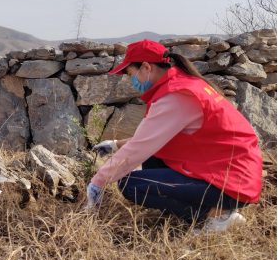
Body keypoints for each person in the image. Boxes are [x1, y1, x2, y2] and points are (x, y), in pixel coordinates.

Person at [84, 39, 262, 234]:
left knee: (130, 184)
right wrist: (116, 145)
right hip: (232, 173)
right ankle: (209, 208)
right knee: (154, 155)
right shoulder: (186, 84)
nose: (131, 80)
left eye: (130, 74)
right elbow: (154, 138)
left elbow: (139, 148)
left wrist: (97, 182)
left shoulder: (176, 96)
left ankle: (217, 216)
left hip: (229, 183)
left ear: (146, 67)